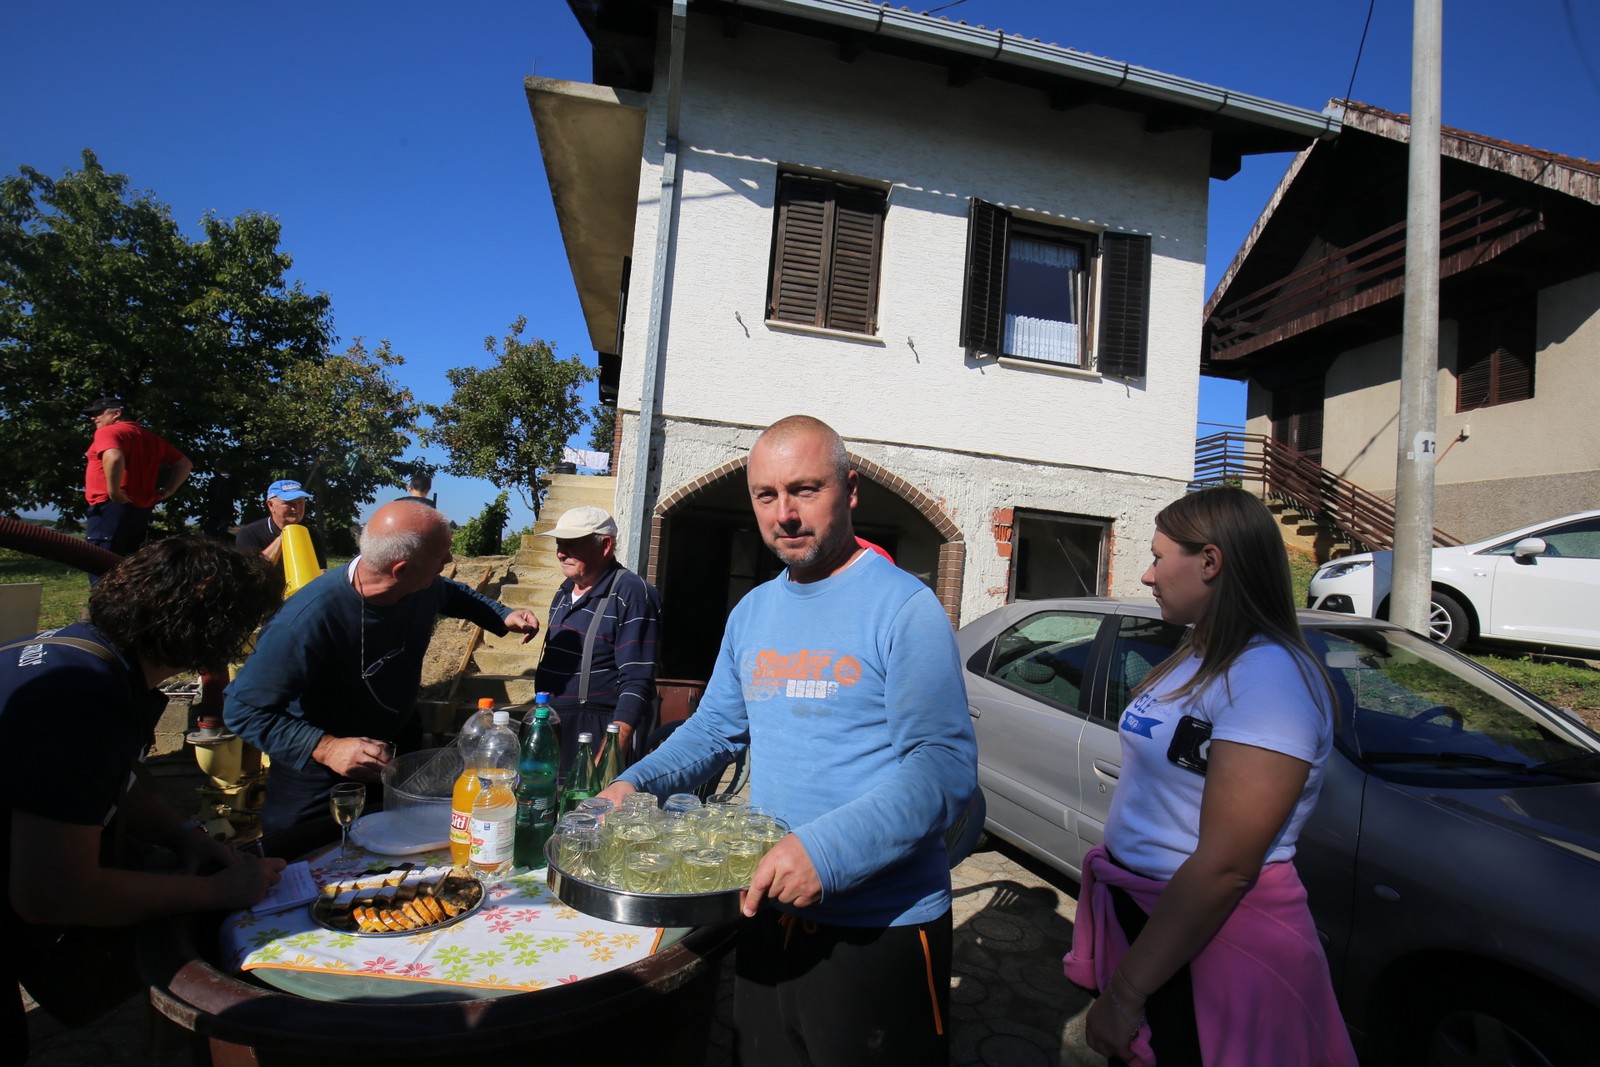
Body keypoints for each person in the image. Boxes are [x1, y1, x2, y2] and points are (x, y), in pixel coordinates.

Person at [597, 415, 976, 1066]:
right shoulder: (752, 613)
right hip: (768, 906)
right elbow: (715, 730)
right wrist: (636, 783)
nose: (785, 513)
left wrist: (825, 850)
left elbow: (943, 769)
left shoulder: (905, 608)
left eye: (804, 489)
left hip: (880, 923)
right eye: (766, 495)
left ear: (850, 489)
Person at [1063, 487, 1356, 1066]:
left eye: (1156, 556)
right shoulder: (1200, 652)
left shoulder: (1270, 676)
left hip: (1214, 937)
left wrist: (1125, 994)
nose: (1147, 576)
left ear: (1210, 561)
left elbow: (1226, 866)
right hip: (1165, 924)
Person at [1, 537, 287, 1061]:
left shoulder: (77, 652)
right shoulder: (83, 697)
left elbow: (104, 782)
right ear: (216, 632)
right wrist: (219, 892)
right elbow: (50, 893)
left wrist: (184, 834)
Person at [224, 501, 541, 835]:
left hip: (396, 754)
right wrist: (326, 746)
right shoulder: (305, 622)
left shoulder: (421, 586)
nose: (449, 562)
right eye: (441, 556)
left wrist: (501, 614)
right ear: (401, 570)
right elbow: (241, 708)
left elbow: (452, 593)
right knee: (311, 863)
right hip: (321, 776)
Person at [532, 506, 662, 773]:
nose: (560, 553)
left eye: (572, 544)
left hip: (595, 733)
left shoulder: (632, 593)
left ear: (605, 546)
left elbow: (637, 682)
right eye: (559, 544)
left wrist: (610, 753)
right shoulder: (565, 591)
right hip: (556, 728)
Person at [81, 396, 192, 561]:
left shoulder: (107, 431)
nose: (93, 417)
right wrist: (170, 490)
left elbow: (114, 457)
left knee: (101, 563)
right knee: (128, 565)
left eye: (99, 413)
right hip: (140, 509)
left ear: (116, 413)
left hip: (110, 507)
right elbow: (185, 464)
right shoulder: (151, 438)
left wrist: (114, 492)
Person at [234, 479, 327, 569]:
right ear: (271, 505)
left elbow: (321, 571)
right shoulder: (249, 534)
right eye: (289, 503)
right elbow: (252, 573)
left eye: (301, 503)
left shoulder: (311, 535)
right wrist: (284, 537)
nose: (296, 509)